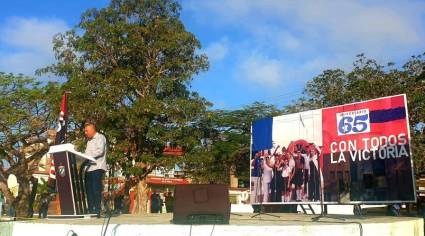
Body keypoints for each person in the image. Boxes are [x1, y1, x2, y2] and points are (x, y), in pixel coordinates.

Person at [83, 121, 107, 218]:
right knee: (88, 190)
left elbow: (100, 151)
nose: (85, 132)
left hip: (97, 167)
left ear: (93, 129)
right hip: (88, 169)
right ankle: (90, 210)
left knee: (96, 189)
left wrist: (87, 156)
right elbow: (85, 154)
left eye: (86, 131)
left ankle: (97, 210)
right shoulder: (89, 141)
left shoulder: (100, 137)